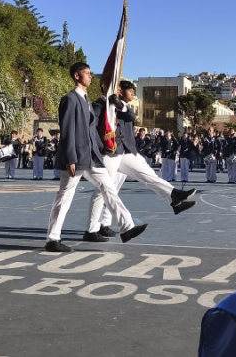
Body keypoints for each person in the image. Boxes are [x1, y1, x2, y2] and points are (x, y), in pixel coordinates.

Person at [45, 63, 148, 253]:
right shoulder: (70, 99)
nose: (90, 76)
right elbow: (67, 131)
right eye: (86, 73)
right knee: (65, 196)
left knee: (108, 188)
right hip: (75, 157)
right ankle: (53, 239)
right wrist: (70, 158)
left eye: (90, 74)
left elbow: (92, 131)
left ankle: (127, 227)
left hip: (92, 155)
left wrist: (103, 148)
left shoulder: (86, 100)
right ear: (76, 76)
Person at [88, 81, 196, 241]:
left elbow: (130, 116)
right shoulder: (99, 105)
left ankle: (174, 197)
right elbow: (93, 126)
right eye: (130, 91)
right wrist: (99, 147)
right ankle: (93, 228)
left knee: (146, 174)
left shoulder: (121, 105)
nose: (132, 94)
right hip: (111, 152)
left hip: (125, 151)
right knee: (105, 190)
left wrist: (118, 104)